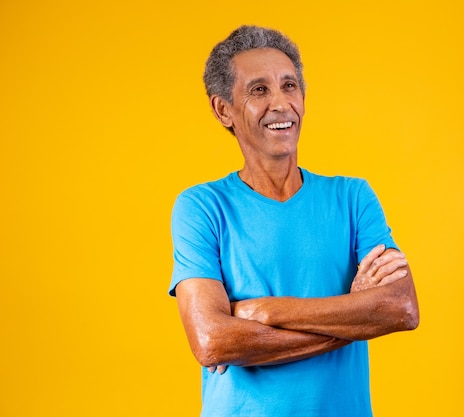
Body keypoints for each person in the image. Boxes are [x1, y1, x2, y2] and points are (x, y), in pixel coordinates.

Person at [169, 25, 419, 417]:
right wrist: (353, 312)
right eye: (259, 90)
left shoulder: (352, 197)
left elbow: (401, 307)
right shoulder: (202, 207)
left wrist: (267, 312)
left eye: (289, 86)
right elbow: (212, 341)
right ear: (223, 110)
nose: (281, 103)